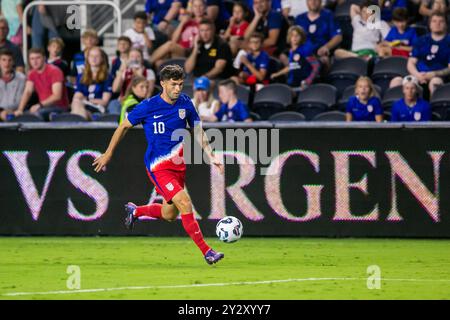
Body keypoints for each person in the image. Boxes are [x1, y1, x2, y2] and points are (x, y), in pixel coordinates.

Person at [92, 64, 225, 265]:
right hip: (158, 166)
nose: (178, 89)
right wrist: (108, 153)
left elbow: (198, 131)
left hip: (179, 166)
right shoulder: (148, 106)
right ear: (162, 83)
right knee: (185, 202)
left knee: (169, 214)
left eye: (180, 84)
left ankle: (135, 211)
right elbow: (123, 126)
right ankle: (207, 251)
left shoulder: (186, 103)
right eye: (173, 84)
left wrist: (211, 155)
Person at [390, 12, 450, 95]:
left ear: (446, 24)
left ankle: (435, 106)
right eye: (434, 21)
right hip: (417, 75)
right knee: (396, 81)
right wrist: (417, 75)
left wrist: (434, 74)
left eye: (441, 21)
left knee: (435, 82)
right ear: (429, 24)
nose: (437, 24)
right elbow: (411, 62)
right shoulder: (421, 40)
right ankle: (400, 107)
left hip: (438, 77)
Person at [14, 48, 69, 120]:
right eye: (32, 59)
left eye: (38, 58)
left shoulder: (55, 71)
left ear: (44, 58)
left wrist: (40, 105)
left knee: (36, 115)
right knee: (24, 116)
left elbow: (57, 96)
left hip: (59, 107)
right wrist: (20, 110)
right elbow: (27, 92)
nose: (35, 62)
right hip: (43, 107)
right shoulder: (31, 73)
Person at [150, 0, 206, 69]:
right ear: (192, 8)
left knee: (170, 45)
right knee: (159, 62)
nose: (198, 9)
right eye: (195, 6)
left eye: (200, 6)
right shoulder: (188, 21)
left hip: (191, 52)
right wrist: (182, 23)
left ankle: (147, 64)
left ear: (205, 7)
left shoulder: (207, 22)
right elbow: (174, 39)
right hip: (179, 50)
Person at [295, 0, 342, 66]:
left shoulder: (328, 15)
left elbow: (338, 37)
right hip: (303, 53)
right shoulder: (299, 19)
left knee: (324, 60)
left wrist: (326, 47)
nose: (313, 2)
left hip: (320, 53)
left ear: (321, 1)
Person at [71, 47, 113, 119]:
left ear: (102, 58)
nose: (94, 58)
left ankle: (77, 122)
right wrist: (80, 99)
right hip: (83, 106)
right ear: (88, 58)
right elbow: (77, 95)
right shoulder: (81, 76)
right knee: (76, 103)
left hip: (98, 108)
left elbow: (104, 101)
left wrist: (86, 100)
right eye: (91, 56)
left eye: (97, 56)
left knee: (77, 106)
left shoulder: (107, 77)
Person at [0, 48, 25, 121]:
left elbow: (19, 100)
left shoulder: (21, 78)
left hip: (16, 112)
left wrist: (10, 111)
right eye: (3, 60)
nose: (6, 63)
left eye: (9, 60)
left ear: (13, 62)